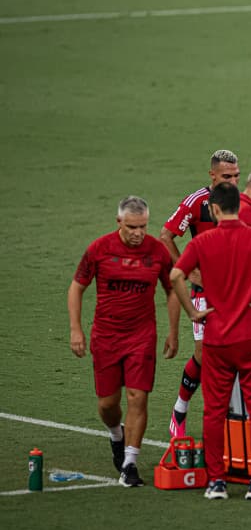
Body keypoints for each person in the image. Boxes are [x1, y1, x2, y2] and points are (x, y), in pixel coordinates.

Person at [170, 183, 251, 501]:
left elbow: (175, 276)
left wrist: (193, 313)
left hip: (217, 338)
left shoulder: (203, 242)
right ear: (237, 208)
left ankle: (216, 482)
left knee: (214, 412)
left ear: (214, 209)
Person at [68, 196, 180, 487]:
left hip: (142, 336)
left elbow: (172, 289)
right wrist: (76, 329)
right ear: (119, 222)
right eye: (132, 227)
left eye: (143, 226)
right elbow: (77, 287)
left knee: (137, 397)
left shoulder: (157, 251)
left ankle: (130, 463)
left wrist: (173, 331)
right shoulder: (99, 249)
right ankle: (116, 434)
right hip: (106, 336)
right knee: (108, 404)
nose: (138, 233)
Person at [161, 149, 240, 438]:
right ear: (212, 175)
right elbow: (166, 235)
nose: (232, 181)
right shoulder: (197, 202)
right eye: (227, 176)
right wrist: (187, 270)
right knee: (204, 354)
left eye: (236, 176)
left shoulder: (240, 202)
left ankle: (233, 420)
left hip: (234, 292)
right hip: (204, 292)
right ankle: (180, 408)